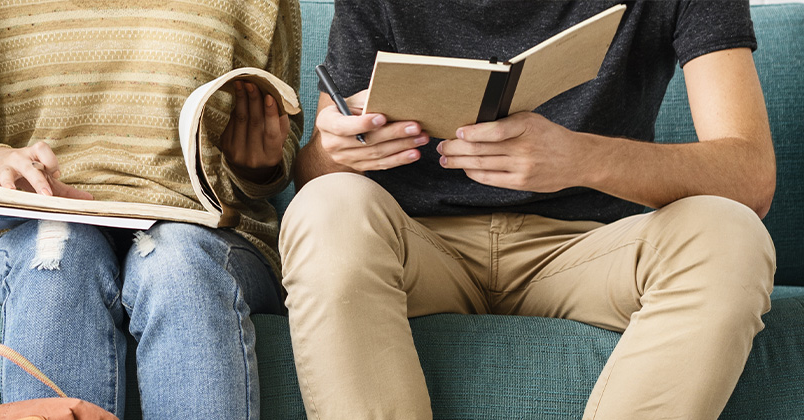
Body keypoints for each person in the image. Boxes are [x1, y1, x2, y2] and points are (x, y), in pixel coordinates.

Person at [286, 1, 775, 418]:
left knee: (731, 233)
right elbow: (315, 175)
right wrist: (336, 150)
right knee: (326, 205)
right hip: (416, 249)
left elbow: (749, 176)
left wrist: (580, 158)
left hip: (590, 252)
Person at [0, 0, 302, 417]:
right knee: (59, 254)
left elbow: (285, 142)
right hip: (36, 229)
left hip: (204, 233)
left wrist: (259, 163)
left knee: (176, 263)